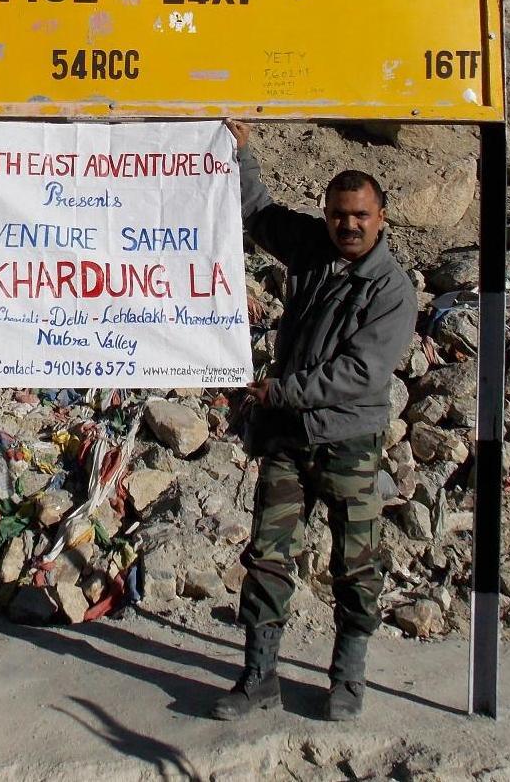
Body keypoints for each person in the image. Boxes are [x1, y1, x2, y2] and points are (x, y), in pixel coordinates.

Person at [213, 121, 416, 723]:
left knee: (355, 564)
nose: (348, 225)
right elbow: (258, 214)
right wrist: (242, 155)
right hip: (287, 437)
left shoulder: (391, 290)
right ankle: (258, 676)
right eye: (338, 214)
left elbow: (361, 373)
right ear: (326, 214)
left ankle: (348, 679)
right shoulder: (310, 247)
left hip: (348, 442)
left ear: (381, 218)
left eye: (360, 215)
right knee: (267, 557)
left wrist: (281, 391)